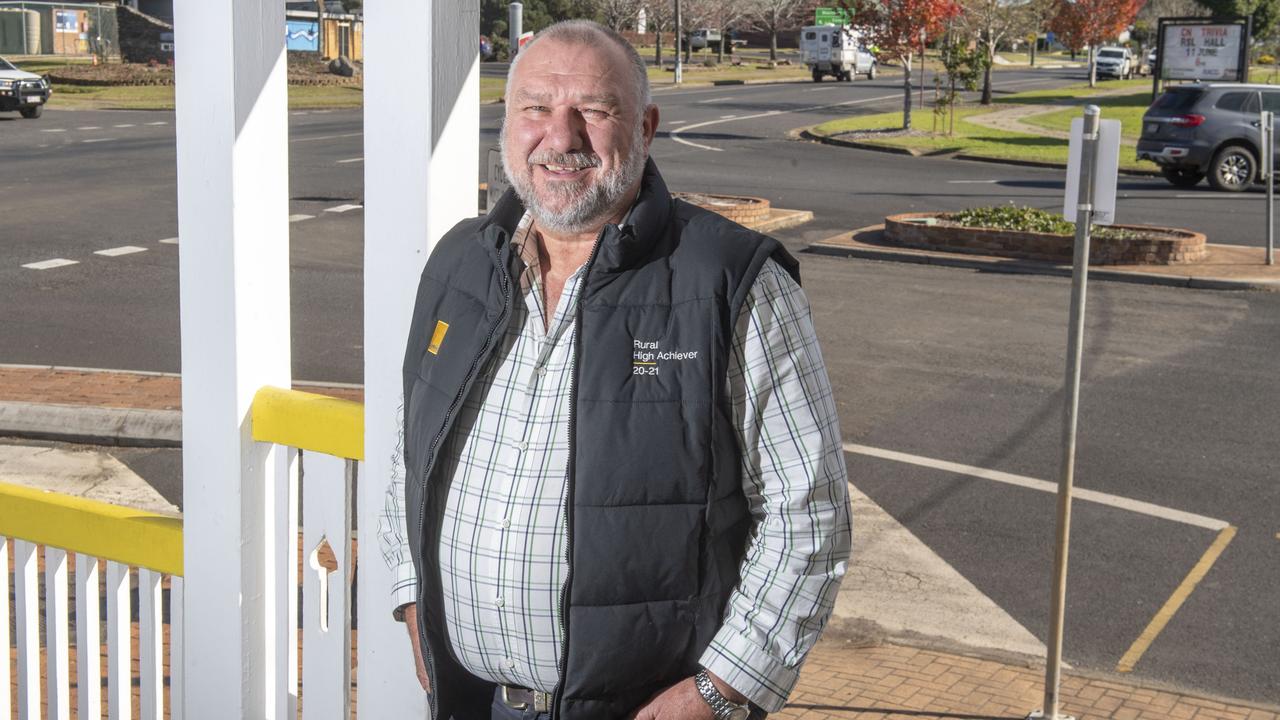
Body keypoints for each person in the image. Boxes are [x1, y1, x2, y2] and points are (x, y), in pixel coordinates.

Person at [379, 19, 851, 720]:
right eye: (535, 108)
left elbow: (807, 511)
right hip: (474, 703)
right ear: (507, 123)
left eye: (593, 112)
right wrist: (412, 595)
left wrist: (723, 689)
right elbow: (408, 451)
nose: (560, 138)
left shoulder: (729, 280)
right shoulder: (460, 263)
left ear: (647, 126)